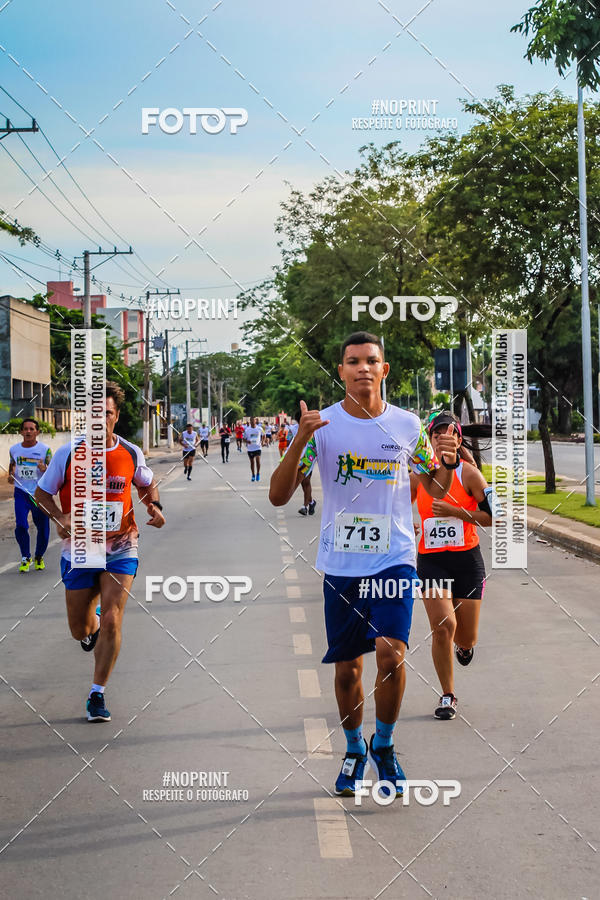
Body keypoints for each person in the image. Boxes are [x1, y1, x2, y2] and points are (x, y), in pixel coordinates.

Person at [269, 332, 456, 799]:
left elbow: (434, 489)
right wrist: (300, 440)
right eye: (353, 361)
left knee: (393, 654)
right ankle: (354, 748)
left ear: (384, 369)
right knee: (348, 670)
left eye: (371, 361)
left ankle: (385, 746)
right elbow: (277, 495)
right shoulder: (322, 425)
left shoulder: (409, 426)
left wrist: (447, 465)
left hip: (394, 559)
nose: (363, 368)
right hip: (342, 564)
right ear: (341, 371)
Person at [35, 382, 165, 723]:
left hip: (122, 545)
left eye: (106, 413)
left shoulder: (131, 452)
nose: (100, 419)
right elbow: (42, 493)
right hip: (79, 549)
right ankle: (88, 632)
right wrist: (59, 517)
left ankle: (97, 694)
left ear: (116, 416)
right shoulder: (68, 454)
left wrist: (155, 506)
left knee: (112, 618)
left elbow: (146, 482)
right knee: (80, 628)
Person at [411, 411, 494, 720]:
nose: (442, 440)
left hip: (467, 561)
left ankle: (465, 647)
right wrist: (408, 527)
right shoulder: (419, 476)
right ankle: (448, 694)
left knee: (465, 636)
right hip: (432, 561)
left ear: (458, 440)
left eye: (449, 435)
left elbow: (494, 516)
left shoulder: (470, 474)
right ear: (430, 441)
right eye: (436, 435)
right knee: (444, 626)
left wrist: (455, 512)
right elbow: (395, 508)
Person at [8, 418, 52, 572]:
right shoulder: (14, 450)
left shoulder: (45, 450)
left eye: (31, 429)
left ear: (37, 432)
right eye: (25, 429)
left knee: (43, 529)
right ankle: (25, 557)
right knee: (20, 525)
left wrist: (44, 469)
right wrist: (11, 476)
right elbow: (10, 475)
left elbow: (52, 474)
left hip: (39, 494)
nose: (28, 431)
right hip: (21, 493)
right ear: (21, 432)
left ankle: (39, 556)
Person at [244, 416, 263, 482]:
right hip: (250, 448)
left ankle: (258, 473)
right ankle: (253, 475)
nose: (252, 422)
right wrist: (247, 441)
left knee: (258, 460)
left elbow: (264, 435)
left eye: (253, 420)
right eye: (251, 420)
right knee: (252, 462)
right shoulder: (247, 430)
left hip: (258, 447)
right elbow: (244, 438)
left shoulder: (259, 428)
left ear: (256, 421)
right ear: (250, 421)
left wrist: (262, 442)